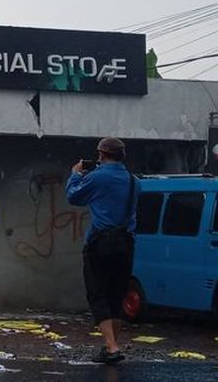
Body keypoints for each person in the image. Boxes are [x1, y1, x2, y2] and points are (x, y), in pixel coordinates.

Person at [66, 137, 140, 364]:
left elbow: (73, 196)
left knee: (97, 293)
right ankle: (111, 347)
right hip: (126, 243)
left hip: (101, 243)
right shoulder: (133, 181)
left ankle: (112, 346)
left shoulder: (98, 177)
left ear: (101, 154)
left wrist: (76, 174)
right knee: (116, 295)